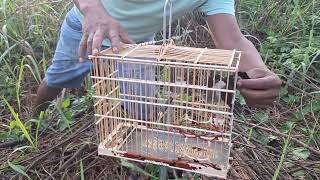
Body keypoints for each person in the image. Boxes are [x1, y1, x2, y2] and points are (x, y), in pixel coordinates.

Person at [34, 0, 282, 116]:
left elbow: (232, 40)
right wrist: (92, 8)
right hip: (85, 28)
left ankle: (136, 162)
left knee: (142, 108)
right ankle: (35, 122)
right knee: (58, 79)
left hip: (135, 45)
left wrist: (259, 72)